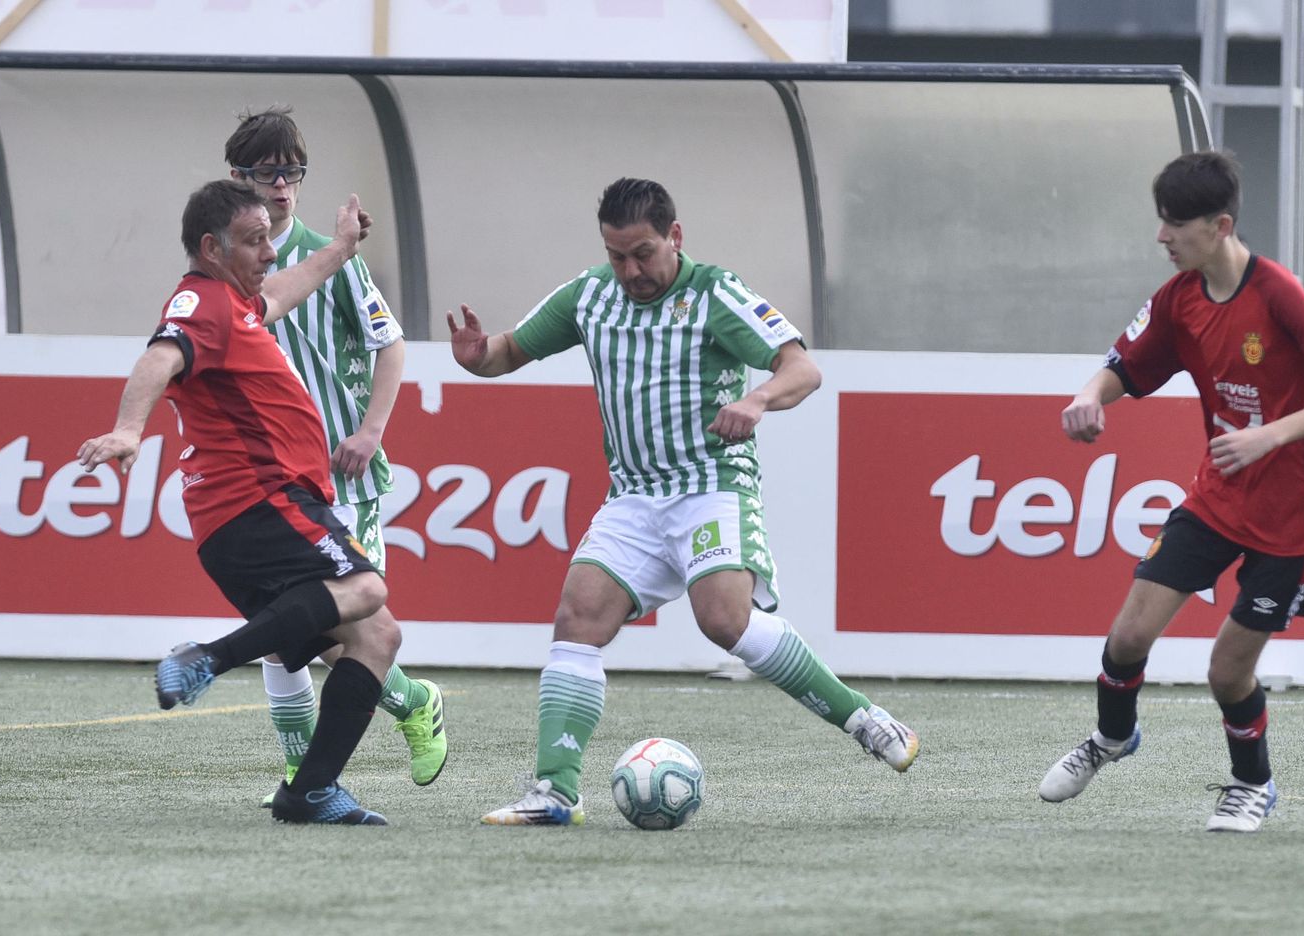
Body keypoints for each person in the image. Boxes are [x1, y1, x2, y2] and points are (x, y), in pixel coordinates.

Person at [449, 177, 920, 826]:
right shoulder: (589, 296)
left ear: (675, 237)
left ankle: (865, 721)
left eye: (643, 253)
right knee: (577, 620)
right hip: (635, 500)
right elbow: (507, 351)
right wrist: (479, 358)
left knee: (724, 622)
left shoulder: (715, 293)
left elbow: (801, 369)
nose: (631, 270)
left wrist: (755, 400)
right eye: (617, 256)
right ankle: (555, 794)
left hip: (710, 487)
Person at [1038, 151, 1304, 832]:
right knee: (1128, 635)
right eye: (1161, 221)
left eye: (1175, 223)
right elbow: (1122, 366)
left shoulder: (1279, 292)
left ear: (1220, 225)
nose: (1162, 236)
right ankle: (1112, 737)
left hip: (1292, 526)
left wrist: (1267, 436)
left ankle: (1253, 785)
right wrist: (1088, 396)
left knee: (1227, 671)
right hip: (1216, 499)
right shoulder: (1179, 297)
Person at [78, 180, 399, 825]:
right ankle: (209, 659)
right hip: (257, 500)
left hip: (246, 515)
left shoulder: (237, 301)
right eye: (254, 242)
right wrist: (128, 429)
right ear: (210, 247)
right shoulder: (201, 301)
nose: (269, 254)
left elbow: (286, 288)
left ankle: (307, 792)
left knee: (377, 638)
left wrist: (339, 247)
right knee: (366, 590)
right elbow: (159, 357)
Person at [224, 106, 445, 801]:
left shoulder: (333, 257)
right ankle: (307, 767)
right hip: (273, 482)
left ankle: (410, 704)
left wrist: (372, 430)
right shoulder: (224, 271)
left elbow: (392, 343)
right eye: (268, 173)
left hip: (342, 479)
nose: (283, 186)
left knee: (336, 624)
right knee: (278, 632)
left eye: (292, 173)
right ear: (239, 178)